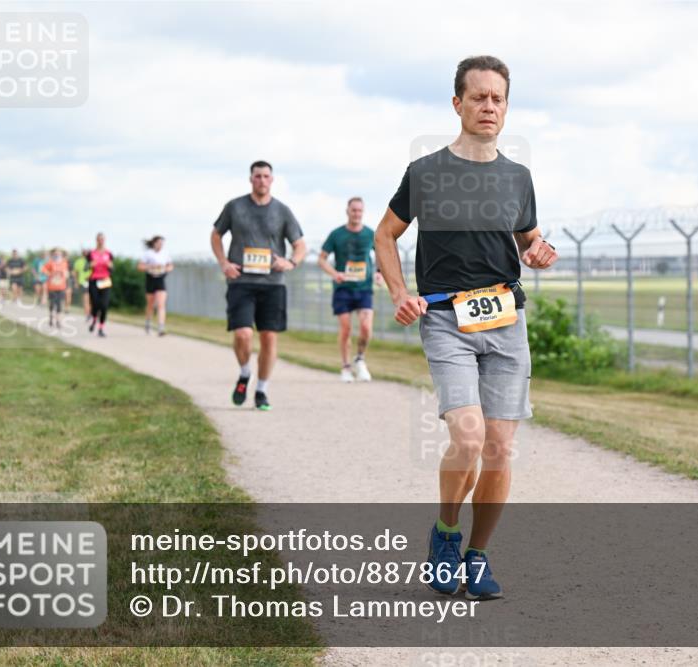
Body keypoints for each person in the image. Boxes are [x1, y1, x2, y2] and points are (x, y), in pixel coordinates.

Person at [375, 56, 557, 601]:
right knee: (470, 436)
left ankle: (477, 556)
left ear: (506, 107)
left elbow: (529, 241)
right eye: (477, 97)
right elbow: (385, 236)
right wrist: (400, 293)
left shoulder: (518, 177)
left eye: (497, 98)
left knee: (500, 448)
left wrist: (540, 252)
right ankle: (446, 533)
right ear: (457, 104)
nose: (488, 106)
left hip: (506, 320)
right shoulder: (426, 172)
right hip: (447, 320)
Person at [210, 160, 306, 411]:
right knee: (243, 334)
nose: (262, 180)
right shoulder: (235, 207)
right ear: (250, 179)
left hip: (273, 284)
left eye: (266, 176)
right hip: (241, 280)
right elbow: (216, 234)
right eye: (257, 176)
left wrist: (291, 262)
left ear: (272, 180)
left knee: (269, 338)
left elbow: (300, 245)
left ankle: (261, 390)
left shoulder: (282, 211)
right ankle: (244, 373)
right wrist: (223, 263)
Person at [318, 197, 379, 382]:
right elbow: (321, 259)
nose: (357, 214)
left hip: (364, 287)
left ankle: (359, 359)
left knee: (366, 328)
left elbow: (383, 254)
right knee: (345, 329)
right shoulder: (336, 234)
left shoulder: (370, 234)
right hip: (343, 288)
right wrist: (334, 273)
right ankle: (345, 367)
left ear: (363, 212)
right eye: (354, 210)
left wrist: (379, 272)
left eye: (360, 211)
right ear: (347, 211)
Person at [137, 235, 174, 336]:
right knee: (150, 304)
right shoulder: (148, 254)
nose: (160, 245)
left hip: (160, 278)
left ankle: (161, 327)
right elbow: (140, 266)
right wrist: (150, 266)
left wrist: (164, 269)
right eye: (159, 243)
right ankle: (148, 322)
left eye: (162, 243)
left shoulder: (165, 254)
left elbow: (170, 266)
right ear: (154, 243)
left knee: (161, 304)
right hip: (150, 279)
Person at [88, 233, 114, 337]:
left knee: (104, 305)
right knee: (95, 303)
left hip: (105, 281)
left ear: (105, 240)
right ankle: (94, 318)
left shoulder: (109, 253)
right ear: (96, 240)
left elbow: (112, 268)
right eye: (99, 239)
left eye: (102, 239)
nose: (101, 241)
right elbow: (86, 267)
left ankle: (101, 328)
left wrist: (110, 266)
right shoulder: (91, 253)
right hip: (94, 280)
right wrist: (90, 264)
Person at [41, 248, 69, 330]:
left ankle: (58, 321)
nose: (57, 255)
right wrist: (49, 274)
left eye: (59, 254)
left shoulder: (64, 263)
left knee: (59, 304)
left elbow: (66, 272)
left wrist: (65, 274)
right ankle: (51, 317)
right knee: (52, 304)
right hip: (52, 287)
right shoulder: (50, 263)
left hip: (61, 287)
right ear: (53, 255)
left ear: (61, 254)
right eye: (56, 254)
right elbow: (43, 269)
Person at [72, 249, 92, 320]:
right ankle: (88, 314)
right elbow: (74, 272)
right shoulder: (78, 261)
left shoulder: (91, 261)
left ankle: (91, 313)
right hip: (83, 282)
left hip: (93, 282)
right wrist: (76, 282)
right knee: (86, 299)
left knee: (92, 299)